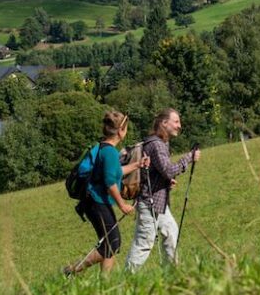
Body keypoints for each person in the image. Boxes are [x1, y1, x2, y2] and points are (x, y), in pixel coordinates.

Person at [64, 110, 149, 276]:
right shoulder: (109, 152)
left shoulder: (103, 147)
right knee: (112, 242)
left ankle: (104, 282)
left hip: (94, 202)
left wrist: (137, 165)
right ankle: (71, 270)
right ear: (120, 131)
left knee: (111, 243)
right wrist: (122, 204)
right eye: (126, 128)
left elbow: (115, 172)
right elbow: (111, 183)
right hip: (96, 203)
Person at [125, 108, 201, 271]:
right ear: (164, 123)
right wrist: (189, 158)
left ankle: (170, 274)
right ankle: (126, 279)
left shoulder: (159, 143)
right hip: (150, 203)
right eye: (176, 121)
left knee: (171, 232)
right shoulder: (157, 145)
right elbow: (168, 170)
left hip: (158, 203)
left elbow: (155, 171)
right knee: (144, 243)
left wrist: (166, 182)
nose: (179, 125)